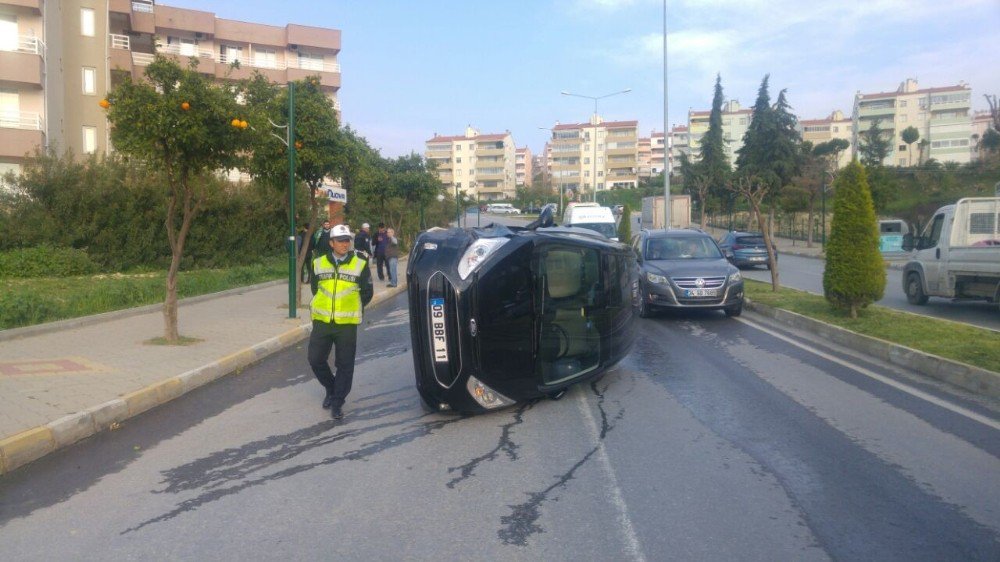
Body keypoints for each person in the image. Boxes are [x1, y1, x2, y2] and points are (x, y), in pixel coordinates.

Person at [308, 224, 374, 419]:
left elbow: (367, 292)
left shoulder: (360, 263)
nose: (345, 244)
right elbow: (315, 288)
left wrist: (352, 306)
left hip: (347, 323)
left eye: (347, 240)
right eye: (341, 241)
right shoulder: (318, 262)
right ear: (331, 243)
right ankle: (331, 387)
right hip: (323, 321)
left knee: (344, 364)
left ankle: (337, 402)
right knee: (315, 359)